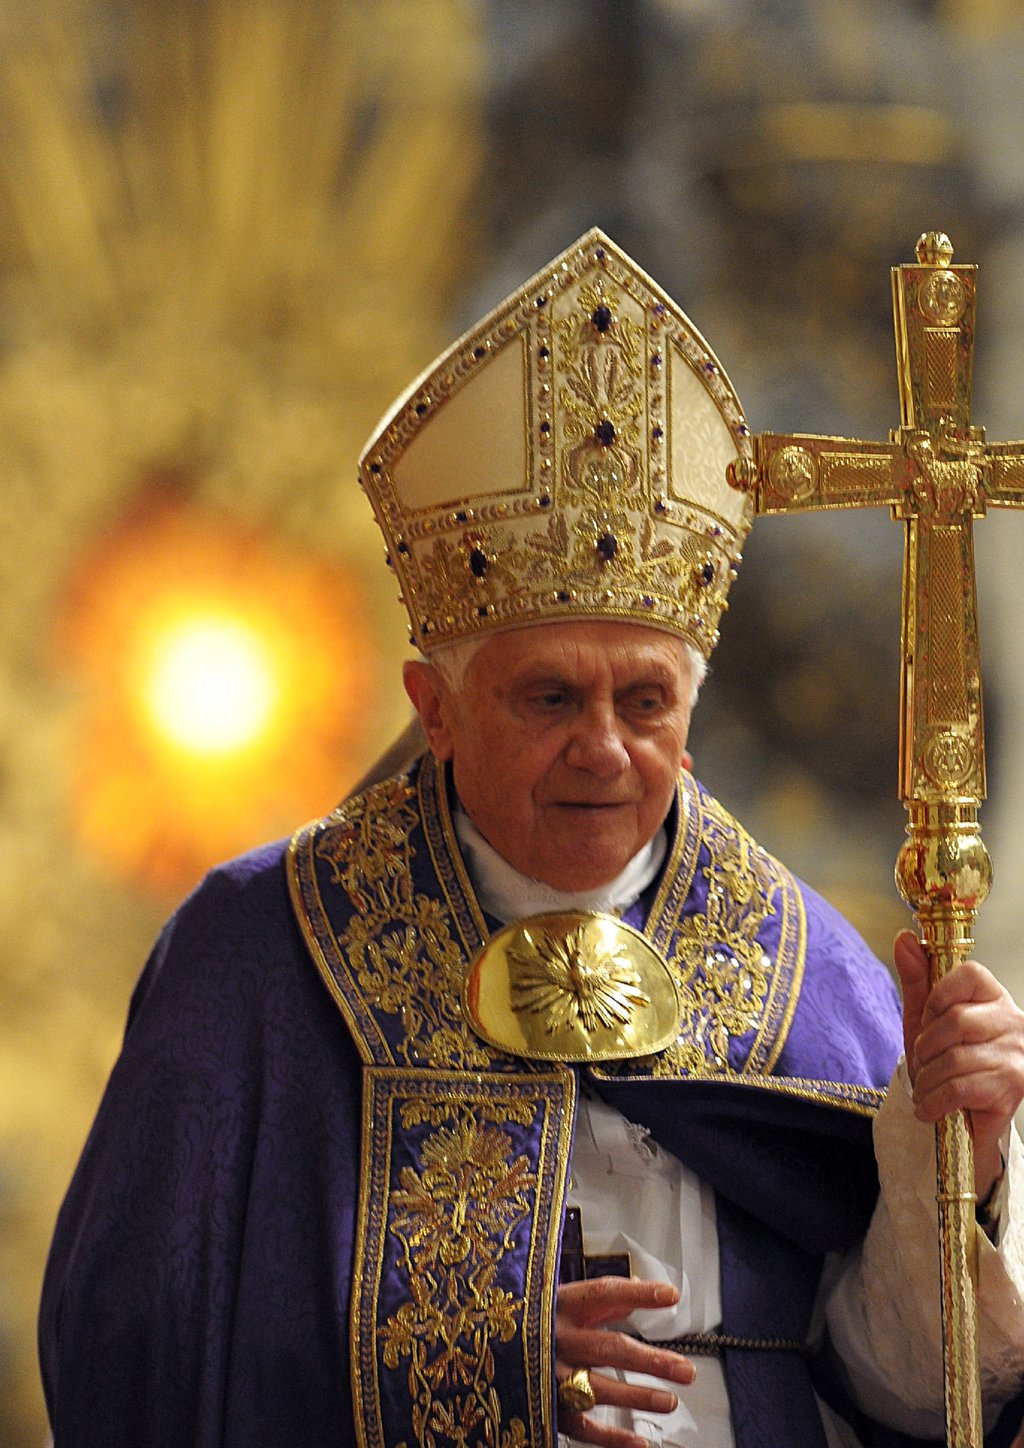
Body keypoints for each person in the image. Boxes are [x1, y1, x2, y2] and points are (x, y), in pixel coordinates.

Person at [39, 230, 1024, 1448]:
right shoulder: (262, 954)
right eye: (550, 698)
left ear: (692, 716)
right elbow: (135, 1351)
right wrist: (446, 1357)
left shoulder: (801, 969)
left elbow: (899, 1399)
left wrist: (946, 1177)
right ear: (434, 707)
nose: (605, 750)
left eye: (645, 701)